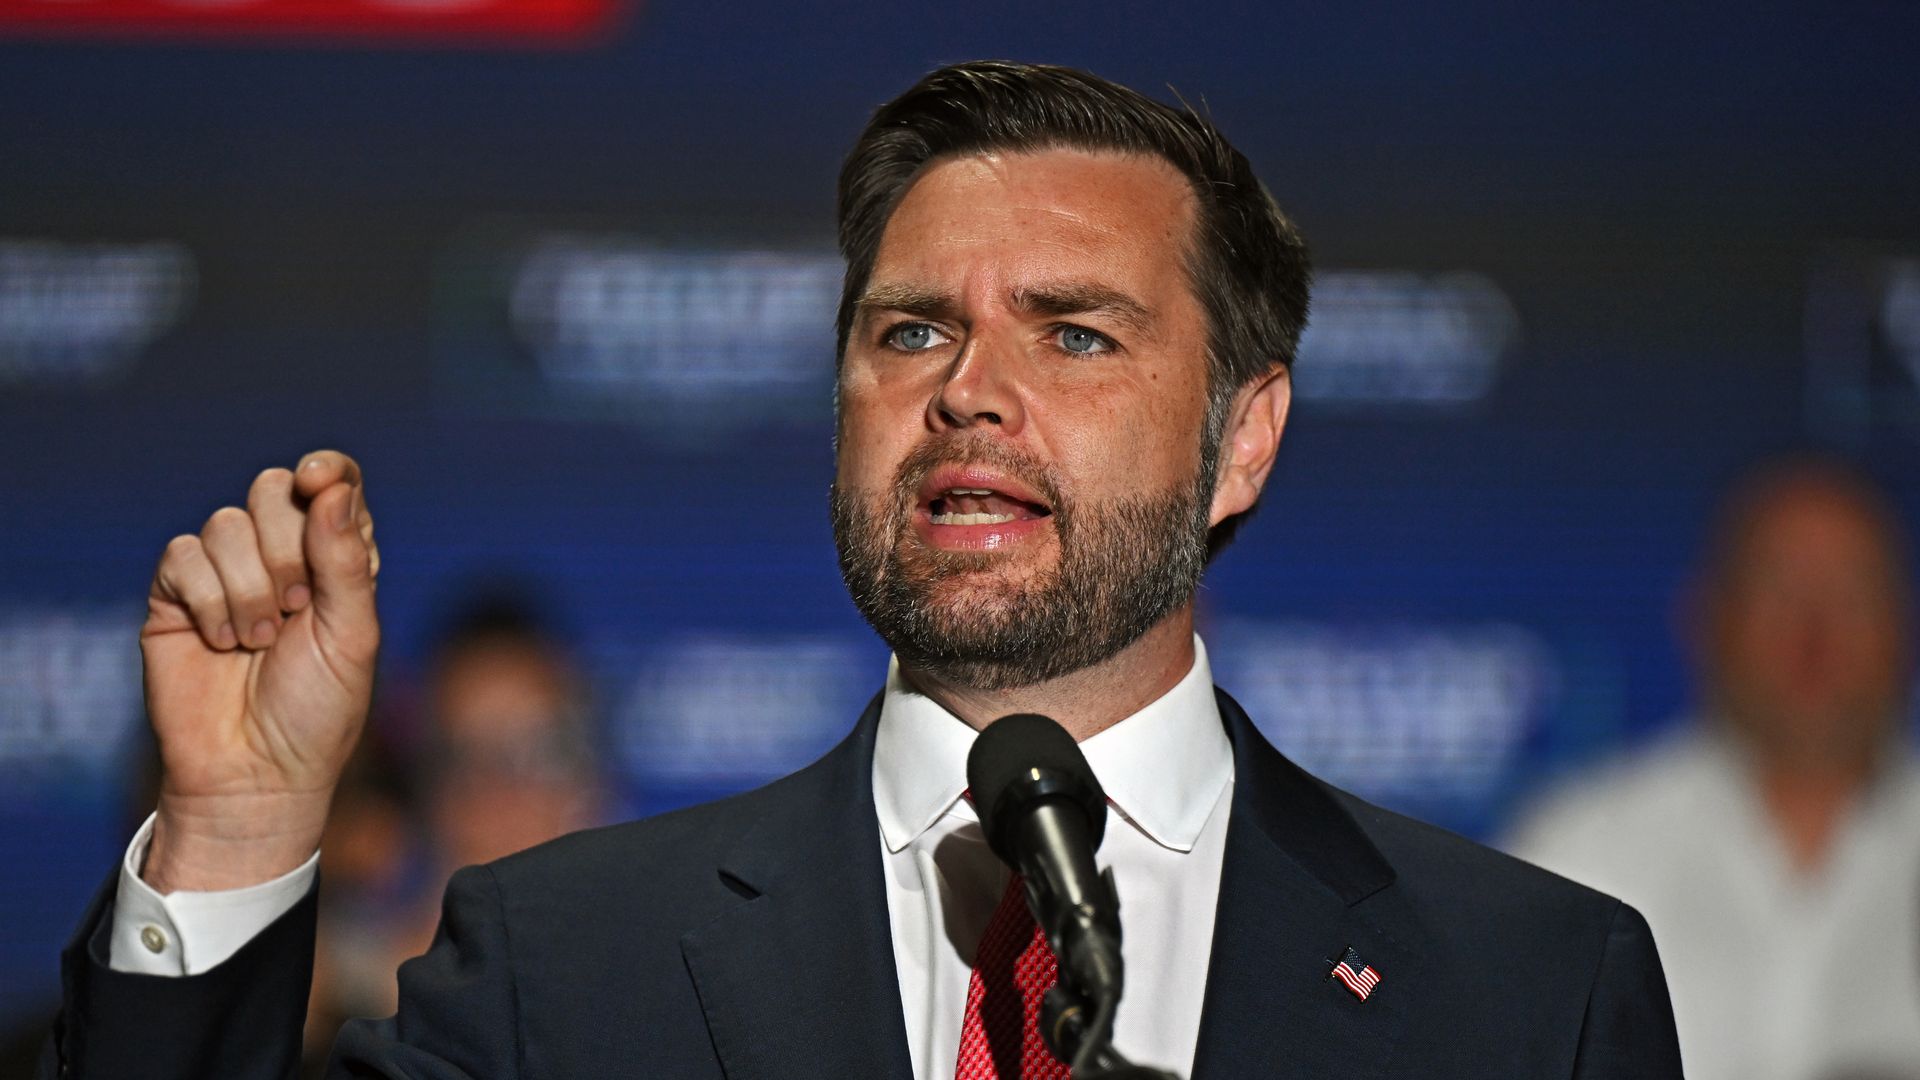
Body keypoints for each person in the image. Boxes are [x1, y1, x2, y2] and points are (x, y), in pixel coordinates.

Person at [43, 61, 1681, 1079]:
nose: (969, 389)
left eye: (1073, 332)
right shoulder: (566, 967)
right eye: (911, 332)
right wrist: (235, 835)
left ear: (1242, 439)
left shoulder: (1528, 993)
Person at [1505, 457, 1920, 1080]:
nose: (1816, 633)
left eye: (1852, 594)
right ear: (1707, 617)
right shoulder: (1580, 852)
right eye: (1781, 591)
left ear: (1904, 623)